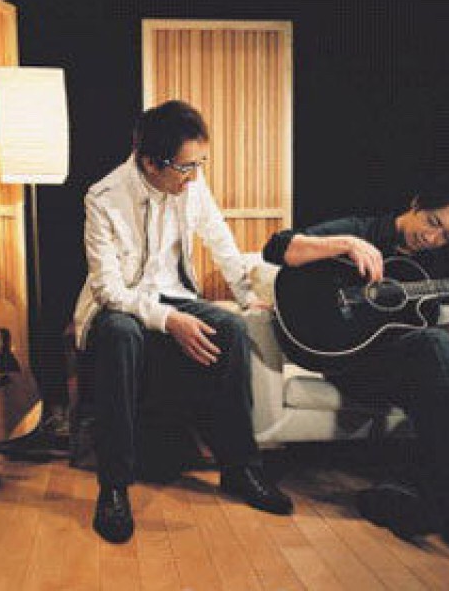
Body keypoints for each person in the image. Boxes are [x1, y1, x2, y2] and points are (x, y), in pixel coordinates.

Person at [263, 175, 449, 562]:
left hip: (404, 373)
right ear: (416, 203)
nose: (432, 238)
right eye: (432, 222)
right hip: (350, 363)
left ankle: (406, 494)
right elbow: (275, 248)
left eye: (446, 236)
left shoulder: (433, 269)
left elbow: (424, 338)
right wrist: (347, 244)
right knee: (432, 346)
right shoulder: (363, 230)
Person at [74, 100, 293, 544]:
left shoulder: (190, 182)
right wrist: (168, 320)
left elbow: (219, 237)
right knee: (120, 333)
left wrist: (246, 296)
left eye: (199, 164)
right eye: (186, 167)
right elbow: (109, 291)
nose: (194, 176)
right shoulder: (104, 197)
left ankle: (240, 468)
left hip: (173, 295)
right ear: (150, 163)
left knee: (232, 329)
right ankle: (114, 486)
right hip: (120, 307)